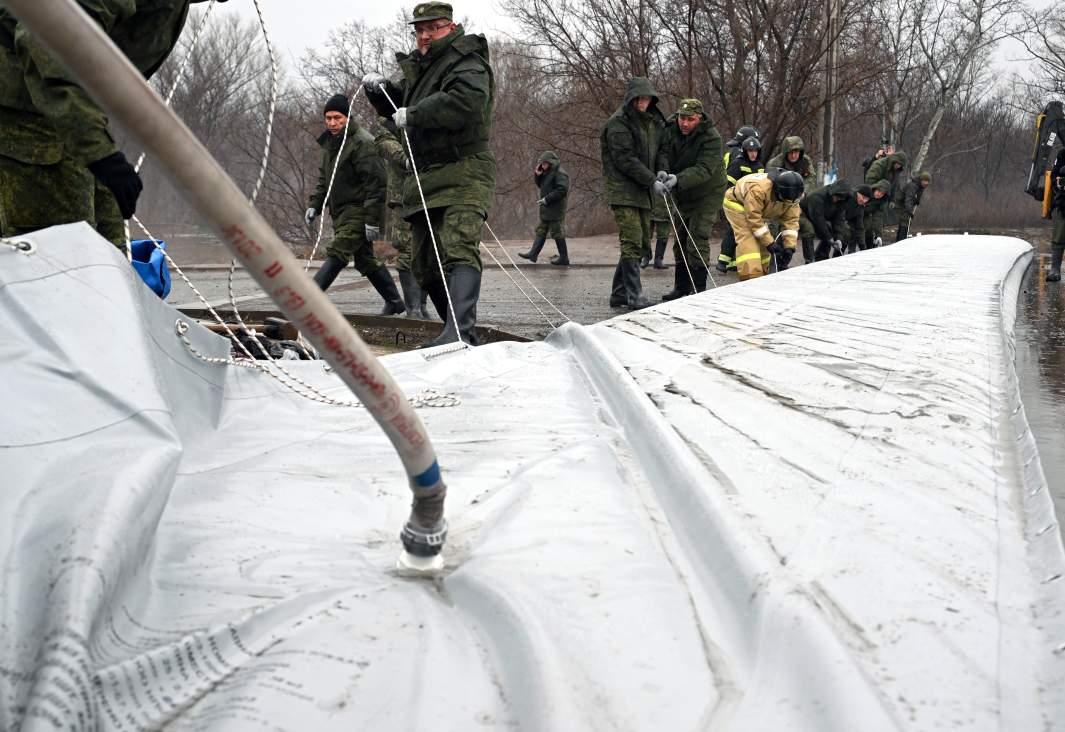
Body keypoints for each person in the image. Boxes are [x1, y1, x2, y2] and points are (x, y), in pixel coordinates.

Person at [0, 0, 225, 246]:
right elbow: (45, 35)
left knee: (109, 245)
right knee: (65, 254)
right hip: (24, 112)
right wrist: (99, 152)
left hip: (64, 111)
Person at [363, 1, 495, 347]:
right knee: (423, 263)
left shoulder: (466, 61)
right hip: (427, 176)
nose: (424, 35)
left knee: (458, 248)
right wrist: (383, 96)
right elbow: (404, 108)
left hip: (464, 169)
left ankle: (460, 332)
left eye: (432, 28)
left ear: (450, 27)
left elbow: (465, 103)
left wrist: (415, 113)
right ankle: (453, 330)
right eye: (419, 30)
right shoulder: (422, 69)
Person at [305, 94, 404, 315]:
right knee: (365, 260)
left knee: (337, 252)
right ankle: (395, 301)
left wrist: (372, 222)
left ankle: (306, 302)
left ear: (347, 117)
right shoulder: (331, 143)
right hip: (341, 212)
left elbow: (377, 187)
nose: (332, 122)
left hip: (359, 212)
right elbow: (325, 180)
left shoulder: (363, 143)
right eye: (328, 118)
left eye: (337, 118)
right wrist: (315, 205)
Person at [600, 76, 665, 310]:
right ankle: (634, 296)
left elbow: (661, 150)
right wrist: (651, 179)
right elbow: (624, 159)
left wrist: (661, 171)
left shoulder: (653, 122)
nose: (643, 102)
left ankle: (619, 294)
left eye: (646, 98)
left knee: (641, 242)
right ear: (631, 98)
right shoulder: (618, 123)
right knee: (632, 240)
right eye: (639, 98)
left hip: (643, 190)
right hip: (622, 190)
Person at [655, 97, 726, 300]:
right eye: (682, 118)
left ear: (699, 118)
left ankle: (699, 290)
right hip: (682, 191)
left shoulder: (712, 138)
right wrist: (663, 170)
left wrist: (678, 178)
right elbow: (663, 153)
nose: (685, 123)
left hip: (707, 192)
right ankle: (681, 287)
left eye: (691, 119)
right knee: (680, 238)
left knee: (697, 237)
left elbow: (704, 169)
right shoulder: (669, 129)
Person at [374, 118, 430, 318]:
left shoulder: (427, 108)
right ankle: (412, 308)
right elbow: (383, 141)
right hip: (404, 195)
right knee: (407, 249)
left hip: (431, 192)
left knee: (428, 251)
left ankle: (421, 306)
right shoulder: (392, 116)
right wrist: (405, 158)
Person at [722, 169, 803, 280]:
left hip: (757, 211)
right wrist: (770, 243)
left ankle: (763, 273)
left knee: (763, 242)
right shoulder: (758, 190)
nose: (788, 203)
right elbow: (754, 218)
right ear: (778, 191)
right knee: (748, 237)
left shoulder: (792, 197)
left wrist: (789, 246)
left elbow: (791, 221)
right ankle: (750, 277)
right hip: (737, 203)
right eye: (785, 200)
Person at [717, 136, 765, 272]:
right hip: (735, 202)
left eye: (755, 151)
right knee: (735, 230)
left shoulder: (760, 166)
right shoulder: (737, 164)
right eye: (750, 151)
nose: (753, 154)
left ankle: (734, 262)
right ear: (745, 151)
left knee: (750, 232)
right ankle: (723, 261)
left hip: (753, 205)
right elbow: (729, 185)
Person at [766, 136, 816, 263]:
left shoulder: (805, 161)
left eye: (797, 152)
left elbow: (811, 178)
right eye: (791, 152)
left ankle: (810, 261)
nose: (794, 155)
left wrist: (803, 192)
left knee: (808, 228)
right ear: (786, 152)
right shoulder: (775, 164)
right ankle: (773, 262)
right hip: (777, 203)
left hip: (796, 202)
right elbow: (769, 186)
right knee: (775, 230)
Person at [520, 151, 569, 265]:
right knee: (541, 230)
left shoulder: (560, 173)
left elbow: (562, 190)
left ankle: (564, 258)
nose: (543, 166)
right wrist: (538, 175)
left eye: (545, 163)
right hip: (547, 208)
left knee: (557, 232)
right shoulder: (547, 172)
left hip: (555, 208)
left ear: (551, 163)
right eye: (542, 163)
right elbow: (541, 186)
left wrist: (547, 199)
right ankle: (533, 254)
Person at [801, 179, 855, 261]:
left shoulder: (841, 202)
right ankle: (810, 260)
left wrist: (838, 238)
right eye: (837, 197)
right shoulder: (816, 197)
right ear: (833, 192)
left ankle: (821, 256)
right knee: (809, 229)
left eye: (840, 198)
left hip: (820, 217)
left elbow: (839, 220)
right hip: (804, 214)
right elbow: (818, 220)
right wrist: (829, 238)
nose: (837, 200)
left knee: (837, 230)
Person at [894, 171, 930, 242]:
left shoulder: (921, 186)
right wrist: (910, 211)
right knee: (905, 222)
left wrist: (917, 200)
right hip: (901, 205)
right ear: (921, 180)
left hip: (906, 205)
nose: (926, 183)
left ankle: (899, 241)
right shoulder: (913, 186)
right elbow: (909, 199)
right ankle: (901, 241)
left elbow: (916, 197)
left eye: (927, 181)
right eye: (924, 181)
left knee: (904, 222)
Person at [1047, 149, 1065, 282]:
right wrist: (1058, 181)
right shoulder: (1062, 154)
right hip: (1063, 201)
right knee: (1059, 234)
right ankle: (1055, 269)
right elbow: (1054, 176)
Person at [841, 185, 872, 254]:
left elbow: (859, 225)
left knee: (855, 230)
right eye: (863, 197)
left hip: (848, 220)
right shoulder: (848, 197)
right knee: (846, 232)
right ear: (858, 193)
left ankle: (851, 252)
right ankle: (838, 253)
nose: (863, 201)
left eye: (866, 199)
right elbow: (839, 215)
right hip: (833, 218)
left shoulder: (860, 206)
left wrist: (862, 246)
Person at [862, 180, 892, 249]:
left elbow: (878, 218)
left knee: (869, 226)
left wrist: (878, 235)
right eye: (878, 191)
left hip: (866, 217)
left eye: (882, 194)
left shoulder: (881, 202)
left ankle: (869, 249)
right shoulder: (865, 192)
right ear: (875, 188)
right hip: (853, 215)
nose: (879, 194)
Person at [644, 198, 670, 269]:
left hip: (664, 204)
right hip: (649, 203)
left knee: (663, 234)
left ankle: (658, 259)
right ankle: (646, 256)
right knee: (646, 231)